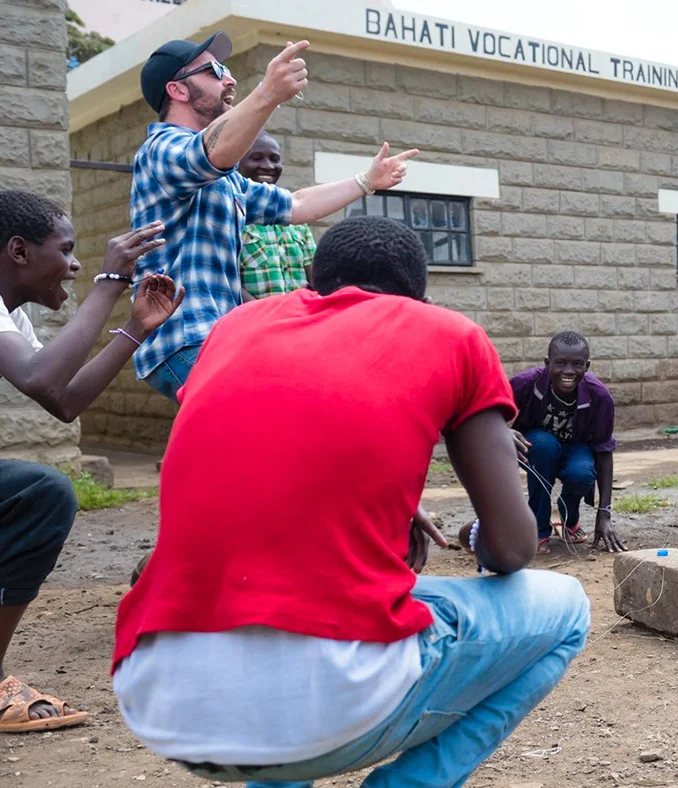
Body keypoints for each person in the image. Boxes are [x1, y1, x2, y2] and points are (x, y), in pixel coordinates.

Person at [113, 216, 589, 787]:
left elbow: (263, 448)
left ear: (312, 279)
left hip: (162, 702)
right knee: (568, 608)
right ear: (422, 296)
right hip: (336, 706)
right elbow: (512, 548)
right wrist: (473, 536)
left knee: (280, 601)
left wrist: (373, 499)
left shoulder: (237, 325)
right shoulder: (452, 333)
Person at [131, 31, 418, 402]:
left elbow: (295, 205)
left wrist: (366, 181)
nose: (230, 79)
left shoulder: (228, 181)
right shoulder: (160, 148)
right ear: (178, 91)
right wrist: (266, 94)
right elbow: (210, 153)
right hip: (184, 340)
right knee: (278, 420)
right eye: (215, 71)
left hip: (217, 339)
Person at [0, 190, 181, 733]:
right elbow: (41, 379)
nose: (77, 265)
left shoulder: (13, 321)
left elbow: (63, 400)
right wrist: (110, 282)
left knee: (36, 493)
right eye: (68, 250)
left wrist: (137, 328)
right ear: (18, 251)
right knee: (40, 491)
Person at [509, 330, 625, 554]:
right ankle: (538, 528)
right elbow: (489, 408)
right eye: (560, 363)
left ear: (587, 366)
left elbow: (603, 453)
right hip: (539, 446)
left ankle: (568, 516)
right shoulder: (526, 383)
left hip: (577, 448)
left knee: (582, 473)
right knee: (542, 445)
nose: (568, 372)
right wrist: (504, 432)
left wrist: (605, 513)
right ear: (547, 363)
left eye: (577, 364)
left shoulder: (599, 396)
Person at [237, 132, 317, 301]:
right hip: (252, 321)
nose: (268, 166)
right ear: (237, 163)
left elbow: (315, 276)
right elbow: (228, 282)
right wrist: (268, 316)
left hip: (299, 320)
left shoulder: (296, 220)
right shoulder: (231, 214)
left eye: (274, 159)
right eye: (256, 158)